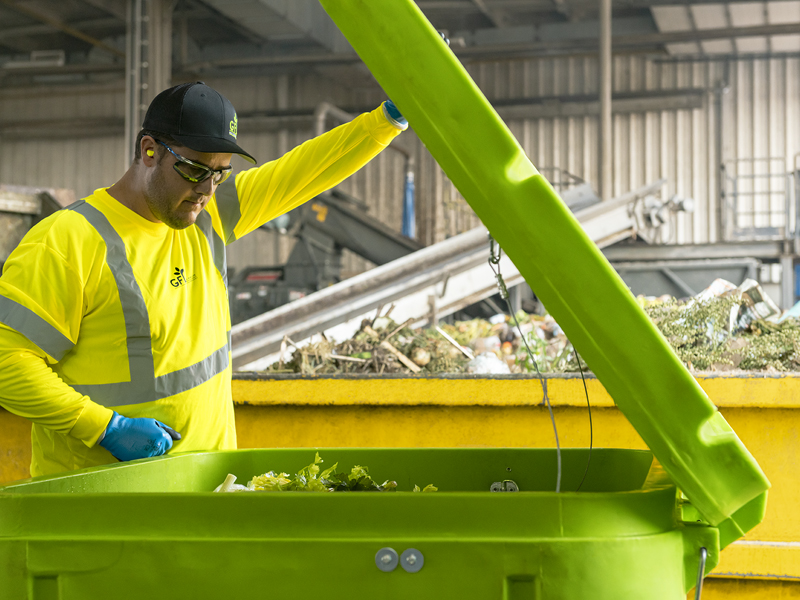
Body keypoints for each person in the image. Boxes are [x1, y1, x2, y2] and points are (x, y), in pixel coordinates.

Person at [0, 81, 407, 477]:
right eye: (194, 170)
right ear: (149, 151)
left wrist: (386, 121)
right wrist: (103, 427)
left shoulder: (206, 219)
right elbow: (7, 363)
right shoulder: (66, 241)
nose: (206, 191)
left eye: (220, 174)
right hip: (106, 509)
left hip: (203, 493)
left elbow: (300, 174)